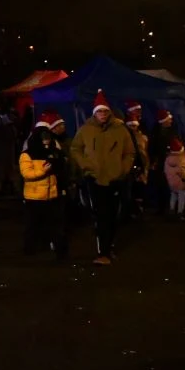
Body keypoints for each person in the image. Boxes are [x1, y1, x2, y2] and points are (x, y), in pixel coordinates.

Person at [69, 91, 136, 265]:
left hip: (115, 178)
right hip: (95, 178)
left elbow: (129, 152)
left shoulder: (120, 130)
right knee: (101, 216)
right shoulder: (85, 130)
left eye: (105, 111)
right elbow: (75, 149)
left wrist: (123, 169)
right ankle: (103, 252)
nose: (103, 115)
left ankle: (109, 247)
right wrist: (85, 165)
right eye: (99, 112)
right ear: (94, 112)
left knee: (113, 216)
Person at [19, 125, 66, 258]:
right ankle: (29, 250)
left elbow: (61, 170)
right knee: (32, 225)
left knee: (55, 225)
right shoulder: (27, 154)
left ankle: (59, 250)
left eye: (48, 138)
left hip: (52, 195)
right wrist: (43, 171)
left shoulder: (54, 151)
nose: (46, 141)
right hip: (34, 197)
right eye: (44, 139)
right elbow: (27, 174)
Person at [164, 138, 185, 220]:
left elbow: (165, 170)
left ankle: (172, 209)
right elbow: (182, 171)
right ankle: (180, 212)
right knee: (181, 197)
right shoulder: (181, 158)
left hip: (171, 182)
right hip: (180, 183)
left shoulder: (168, 158)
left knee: (173, 195)